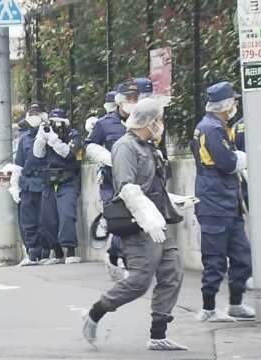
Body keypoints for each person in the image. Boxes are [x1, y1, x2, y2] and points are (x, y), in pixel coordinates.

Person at [82, 98, 187, 351]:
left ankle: (158, 334)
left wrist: (175, 201)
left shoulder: (149, 147)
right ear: (149, 122)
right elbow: (127, 188)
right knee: (140, 282)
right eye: (159, 120)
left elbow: (154, 188)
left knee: (172, 273)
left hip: (157, 223)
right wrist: (149, 219)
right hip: (138, 226)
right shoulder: (125, 147)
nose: (161, 124)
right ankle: (95, 312)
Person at [190, 82, 254, 321]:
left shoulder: (218, 125)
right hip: (214, 202)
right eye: (233, 101)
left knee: (242, 256)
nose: (235, 105)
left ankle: (235, 304)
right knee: (215, 259)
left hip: (227, 200)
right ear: (225, 104)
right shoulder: (211, 128)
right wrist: (242, 158)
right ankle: (208, 309)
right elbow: (227, 163)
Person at [86, 81, 139, 280]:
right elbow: (90, 146)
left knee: (134, 223)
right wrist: (105, 156)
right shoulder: (105, 124)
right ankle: (117, 258)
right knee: (119, 220)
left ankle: (121, 257)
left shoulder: (142, 121)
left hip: (136, 180)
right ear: (119, 101)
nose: (132, 103)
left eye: (135, 99)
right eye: (128, 99)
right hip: (110, 181)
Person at [34, 108, 83, 264]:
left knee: (67, 215)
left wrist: (54, 139)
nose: (56, 126)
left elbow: (70, 155)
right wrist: (42, 138)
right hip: (49, 182)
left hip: (67, 180)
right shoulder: (47, 134)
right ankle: (57, 252)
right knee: (46, 219)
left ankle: (70, 250)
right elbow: (37, 155)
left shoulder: (73, 135)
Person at [8, 103, 50, 265]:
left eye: (37, 114)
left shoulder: (48, 134)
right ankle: (32, 250)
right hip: (27, 183)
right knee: (27, 218)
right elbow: (18, 165)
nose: (34, 117)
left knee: (45, 218)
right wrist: (15, 185)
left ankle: (45, 250)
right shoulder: (24, 139)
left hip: (44, 182)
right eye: (31, 114)